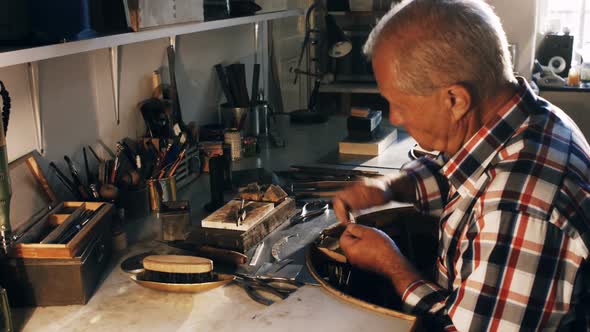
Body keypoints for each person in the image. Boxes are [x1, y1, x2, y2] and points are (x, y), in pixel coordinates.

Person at [332, 0, 590, 331]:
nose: (394, 117)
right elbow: (465, 166)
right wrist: (390, 188)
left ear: (455, 100)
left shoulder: (517, 210)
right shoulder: (530, 118)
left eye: (399, 103)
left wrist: (392, 265)